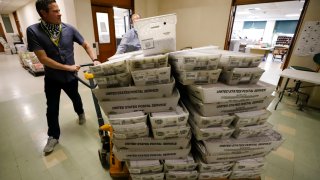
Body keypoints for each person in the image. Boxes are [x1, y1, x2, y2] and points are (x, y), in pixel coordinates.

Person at [26, 0, 100, 154]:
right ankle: (53, 136)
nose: (60, 13)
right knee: (52, 108)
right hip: (52, 78)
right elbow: (43, 59)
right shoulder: (33, 31)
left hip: (70, 77)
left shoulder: (68, 29)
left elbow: (86, 44)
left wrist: (95, 59)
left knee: (76, 98)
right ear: (43, 13)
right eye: (55, 11)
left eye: (59, 10)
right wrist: (68, 67)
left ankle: (80, 112)